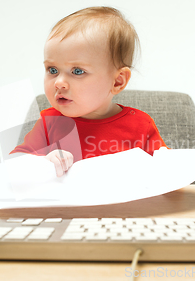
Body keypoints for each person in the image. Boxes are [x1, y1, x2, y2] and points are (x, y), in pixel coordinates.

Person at [10, 6, 168, 176]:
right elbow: (11, 170)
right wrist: (42, 163)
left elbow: (169, 173)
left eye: (77, 71)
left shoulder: (140, 125)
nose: (59, 82)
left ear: (117, 81)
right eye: (52, 70)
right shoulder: (49, 123)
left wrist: (165, 165)